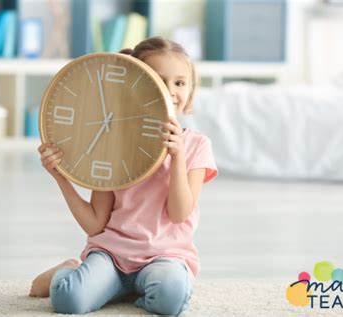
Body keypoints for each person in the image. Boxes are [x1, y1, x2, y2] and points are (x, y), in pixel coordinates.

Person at [29, 36, 218, 315]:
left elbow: (179, 214)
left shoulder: (196, 146)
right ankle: (71, 271)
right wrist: (61, 178)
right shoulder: (111, 145)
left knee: (172, 299)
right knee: (69, 301)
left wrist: (177, 156)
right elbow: (95, 224)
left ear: (189, 91)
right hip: (112, 255)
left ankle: (127, 288)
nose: (169, 91)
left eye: (179, 82)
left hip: (166, 257)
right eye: (157, 80)